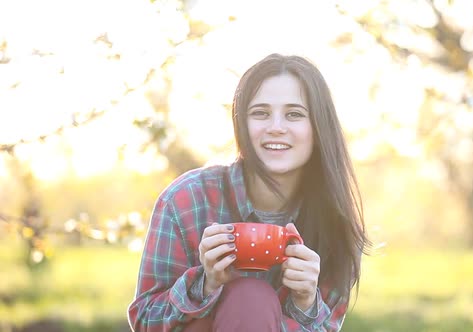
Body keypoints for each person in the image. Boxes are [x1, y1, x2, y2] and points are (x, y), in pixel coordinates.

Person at [127, 53, 370, 331]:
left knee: (252, 300)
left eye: (294, 114)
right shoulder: (186, 199)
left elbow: (329, 326)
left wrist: (306, 303)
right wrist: (204, 284)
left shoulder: (336, 221)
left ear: (319, 127)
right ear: (242, 124)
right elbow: (145, 321)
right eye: (260, 113)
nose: (276, 128)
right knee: (248, 297)